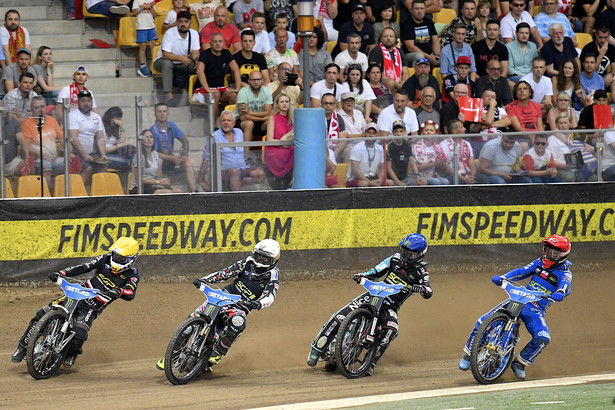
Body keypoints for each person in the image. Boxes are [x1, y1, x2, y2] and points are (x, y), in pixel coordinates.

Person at [307, 233, 432, 375]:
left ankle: (371, 362)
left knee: (392, 329)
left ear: (420, 255)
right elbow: (376, 271)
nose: (405, 256)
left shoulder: (421, 272)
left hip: (390, 305)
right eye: (404, 251)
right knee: (340, 316)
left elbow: (428, 289)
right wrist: (363, 275)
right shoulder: (394, 259)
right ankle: (316, 350)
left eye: (410, 254)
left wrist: (421, 289)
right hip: (373, 295)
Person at [11, 237, 141, 367]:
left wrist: (118, 292)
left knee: (80, 332)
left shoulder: (132, 274)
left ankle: (71, 353)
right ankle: (22, 347)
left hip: (93, 305)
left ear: (131, 259)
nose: (117, 259)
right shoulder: (105, 258)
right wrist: (62, 273)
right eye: (116, 255)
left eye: (121, 258)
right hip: (78, 293)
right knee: (42, 313)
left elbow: (130, 293)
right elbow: (83, 267)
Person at [458, 235, 573, 380]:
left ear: (563, 255)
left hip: (535, 308)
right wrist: (503, 277)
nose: (550, 254)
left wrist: (560, 293)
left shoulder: (565, 272)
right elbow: (521, 271)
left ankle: (520, 363)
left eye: (555, 253)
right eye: (548, 250)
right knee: (482, 321)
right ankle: (468, 354)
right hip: (518, 298)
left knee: (543, 337)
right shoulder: (539, 263)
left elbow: (565, 285)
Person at [167, 239, 281, 369]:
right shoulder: (246, 263)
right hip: (222, 296)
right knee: (191, 322)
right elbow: (225, 273)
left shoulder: (272, 276)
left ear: (274, 260)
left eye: (265, 258)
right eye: (258, 255)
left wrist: (258, 304)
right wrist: (204, 280)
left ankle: (218, 352)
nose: (260, 259)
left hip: (240, 306)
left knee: (238, 323)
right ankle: (172, 355)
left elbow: (270, 296)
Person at [198, 110, 266, 191]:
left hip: (243, 169)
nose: (226, 123)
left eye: (229, 120)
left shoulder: (239, 132)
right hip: (225, 172)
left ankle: (238, 183)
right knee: (234, 172)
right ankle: (238, 200)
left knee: (260, 174)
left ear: (233, 123)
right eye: (223, 120)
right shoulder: (214, 137)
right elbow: (206, 158)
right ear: (220, 122)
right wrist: (201, 180)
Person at [153, 10, 200, 106]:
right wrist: (180, 58)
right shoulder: (170, 33)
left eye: (186, 22)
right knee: (167, 63)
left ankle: (195, 95)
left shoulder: (194, 33)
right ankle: (169, 95)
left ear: (190, 24)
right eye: (181, 21)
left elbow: (195, 52)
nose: (183, 24)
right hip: (161, 61)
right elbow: (165, 55)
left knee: (198, 66)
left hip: (183, 62)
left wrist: (196, 59)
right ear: (177, 23)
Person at [149, 102, 197, 192]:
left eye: (164, 111)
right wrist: (172, 158)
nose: (162, 114)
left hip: (171, 160)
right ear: (155, 114)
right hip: (160, 162)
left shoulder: (172, 126)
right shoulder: (153, 130)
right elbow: (154, 153)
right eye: (159, 111)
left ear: (168, 113)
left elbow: (185, 140)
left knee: (188, 161)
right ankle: (159, 186)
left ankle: (193, 191)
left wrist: (184, 155)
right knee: (159, 160)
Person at [194, 32, 241, 118]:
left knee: (233, 95)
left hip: (220, 88)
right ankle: (213, 127)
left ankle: (232, 124)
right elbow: (199, 71)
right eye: (215, 41)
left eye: (220, 41)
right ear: (210, 44)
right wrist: (208, 89)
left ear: (224, 43)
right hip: (203, 88)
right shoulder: (205, 54)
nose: (218, 43)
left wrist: (237, 87)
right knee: (215, 95)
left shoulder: (226, 53)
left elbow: (236, 69)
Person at [19, 96, 64, 185]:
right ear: (31, 109)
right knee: (46, 165)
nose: (40, 110)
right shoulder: (26, 124)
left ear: (46, 107)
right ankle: (46, 196)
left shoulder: (52, 120)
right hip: (37, 160)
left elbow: (62, 138)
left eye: (42, 107)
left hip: (53, 160)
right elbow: (26, 146)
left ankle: (61, 193)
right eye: (37, 107)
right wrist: (43, 155)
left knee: (69, 162)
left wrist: (69, 152)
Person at [69, 90, 108, 184]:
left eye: (88, 100)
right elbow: (74, 138)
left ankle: (100, 194)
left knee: (103, 166)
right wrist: (84, 155)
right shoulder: (72, 115)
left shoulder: (96, 117)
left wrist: (103, 154)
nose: (86, 103)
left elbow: (100, 137)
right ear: (78, 102)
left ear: (91, 102)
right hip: (75, 153)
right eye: (83, 100)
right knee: (88, 168)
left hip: (91, 153)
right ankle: (79, 194)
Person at [129, 129, 182, 194]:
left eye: (151, 137)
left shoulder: (155, 154)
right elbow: (139, 180)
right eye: (146, 137)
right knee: (166, 193)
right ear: (141, 140)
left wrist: (164, 182)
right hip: (139, 188)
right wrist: (159, 182)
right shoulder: (139, 156)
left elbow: (157, 175)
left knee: (178, 191)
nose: (149, 139)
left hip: (152, 185)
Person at [344, 121, 389, 187]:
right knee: (364, 183)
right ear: (365, 133)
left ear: (377, 135)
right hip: (354, 179)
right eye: (369, 133)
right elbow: (355, 170)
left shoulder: (380, 148)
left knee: (389, 183)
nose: (371, 135)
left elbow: (381, 168)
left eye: (373, 133)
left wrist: (380, 179)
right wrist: (369, 182)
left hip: (372, 177)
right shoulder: (357, 148)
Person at [235, 70, 273, 147]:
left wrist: (248, 112)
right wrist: (262, 118)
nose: (256, 82)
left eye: (258, 79)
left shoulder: (267, 91)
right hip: (241, 122)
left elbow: (267, 112)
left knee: (271, 121)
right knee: (249, 123)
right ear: (249, 81)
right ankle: (247, 155)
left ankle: (269, 152)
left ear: (262, 80)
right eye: (253, 80)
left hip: (258, 122)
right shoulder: (243, 92)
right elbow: (243, 117)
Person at [264, 93, 294, 189]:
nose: (284, 104)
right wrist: (282, 144)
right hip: (275, 148)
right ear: (277, 104)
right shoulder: (272, 118)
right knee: (281, 153)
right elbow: (269, 139)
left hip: (290, 148)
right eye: (281, 102)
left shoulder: (293, 119)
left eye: (286, 101)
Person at [580, 26, 615, 103]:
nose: (603, 40)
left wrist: (611, 74)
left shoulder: (611, 48)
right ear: (596, 36)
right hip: (590, 78)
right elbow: (591, 69)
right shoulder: (588, 48)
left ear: (609, 36)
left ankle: (613, 99)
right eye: (600, 37)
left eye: (605, 38)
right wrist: (601, 54)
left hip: (605, 78)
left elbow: (614, 68)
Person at [401, 0, 441, 67]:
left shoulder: (429, 22)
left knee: (443, 56)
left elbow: (435, 41)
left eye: (422, 9)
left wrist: (436, 56)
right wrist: (429, 57)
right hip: (412, 55)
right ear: (412, 10)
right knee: (420, 56)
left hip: (429, 54)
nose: (420, 11)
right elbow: (411, 47)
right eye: (417, 9)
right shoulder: (406, 24)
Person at [368, 28, 409, 92]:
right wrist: (395, 83)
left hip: (399, 82)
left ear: (395, 38)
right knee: (390, 83)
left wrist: (403, 82)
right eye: (385, 36)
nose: (388, 38)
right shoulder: (376, 51)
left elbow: (405, 72)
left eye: (391, 36)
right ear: (381, 38)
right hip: (382, 82)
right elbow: (376, 73)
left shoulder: (399, 51)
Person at [386, 120, 425, 186]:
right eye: (396, 132)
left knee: (422, 182)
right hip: (392, 179)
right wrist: (398, 182)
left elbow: (412, 162)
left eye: (401, 131)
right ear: (393, 132)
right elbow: (388, 167)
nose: (398, 134)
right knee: (391, 183)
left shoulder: (406, 144)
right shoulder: (389, 146)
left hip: (404, 178)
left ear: (405, 132)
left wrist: (417, 175)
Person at [440, 119, 478, 184]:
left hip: (467, 173)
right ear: (454, 131)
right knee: (454, 180)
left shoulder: (467, 143)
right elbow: (446, 168)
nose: (465, 129)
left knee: (483, 179)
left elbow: (471, 162)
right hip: (452, 174)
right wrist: (463, 178)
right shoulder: (443, 145)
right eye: (461, 127)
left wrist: (472, 177)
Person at [412, 120, 450, 185]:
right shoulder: (416, 147)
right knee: (436, 182)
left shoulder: (438, 147)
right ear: (422, 132)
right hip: (420, 176)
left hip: (435, 175)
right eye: (426, 130)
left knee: (446, 181)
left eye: (431, 131)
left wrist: (442, 164)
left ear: (435, 133)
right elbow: (417, 167)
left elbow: (442, 167)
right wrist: (433, 164)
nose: (429, 132)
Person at [102, 106, 136, 171]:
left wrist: (121, 128)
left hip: (115, 153)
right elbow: (103, 149)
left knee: (133, 157)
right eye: (116, 119)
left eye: (119, 120)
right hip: (105, 155)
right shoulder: (101, 128)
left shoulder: (114, 128)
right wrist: (119, 146)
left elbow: (121, 142)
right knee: (131, 163)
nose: (117, 122)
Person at [132, 0, 158, 78]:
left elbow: (155, 15)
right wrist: (143, 7)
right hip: (141, 27)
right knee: (143, 46)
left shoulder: (151, 1)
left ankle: (154, 65)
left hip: (151, 27)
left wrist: (151, 8)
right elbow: (134, 12)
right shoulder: (136, 1)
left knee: (153, 45)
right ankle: (142, 66)